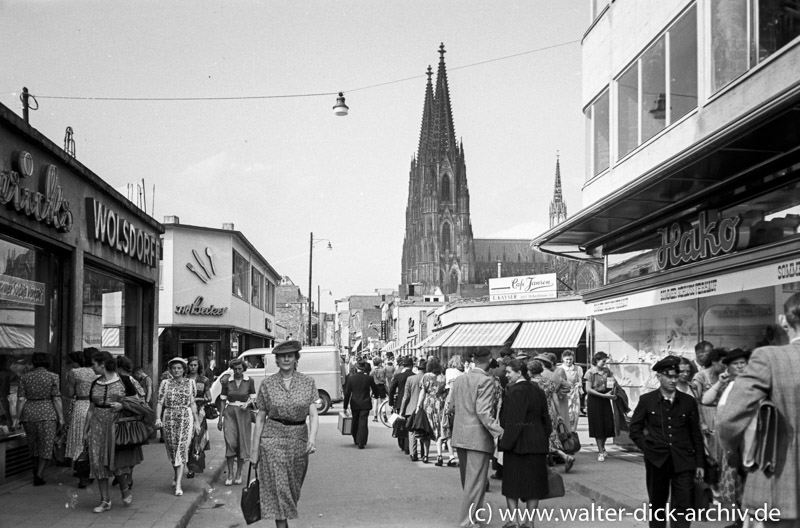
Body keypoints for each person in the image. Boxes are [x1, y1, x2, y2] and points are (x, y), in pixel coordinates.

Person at [718, 293, 800, 528]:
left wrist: (734, 455)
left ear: (784, 321)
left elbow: (729, 419)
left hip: (777, 486)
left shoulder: (769, 357)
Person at [629, 356, 704, 528]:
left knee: (683, 505)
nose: (673, 380)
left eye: (675, 377)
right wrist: (647, 447)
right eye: (668, 376)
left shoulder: (688, 402)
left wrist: (700, 463)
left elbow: (696, 435)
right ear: (659, 377)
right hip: (657, 461)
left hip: (684, 460)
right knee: (657, 504)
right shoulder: (647, 400)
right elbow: (634, 429)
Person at [250, 340, 319, 528]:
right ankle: (282, 525)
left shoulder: (308, 382)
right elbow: (261, 418)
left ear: (297, 359)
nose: (286, 359)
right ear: (277, 360)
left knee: (292, 488)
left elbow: (313, 414)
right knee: (277, 487)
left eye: (290, 355)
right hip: (272, 440)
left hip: (298, 440)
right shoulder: (267, 384)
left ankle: (284, 518)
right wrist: (254, 451)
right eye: (282, 356)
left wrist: (312, 439)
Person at [448, 346, 504, 528]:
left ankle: (474, 518)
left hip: (461, 435)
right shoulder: (485, 380)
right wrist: (500, 431)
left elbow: (451, 407)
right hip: (478, 437)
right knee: (475, 484)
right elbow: (484, 412)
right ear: (488, 360)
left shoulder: (460, 379)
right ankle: (467, 522)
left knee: (469, 483)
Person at [83, 350, 144, 512]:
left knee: (115, 461)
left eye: (93, 363)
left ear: (102, 364)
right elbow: (90, 409)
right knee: (97, 463)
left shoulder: (124, 381)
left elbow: (138, 402)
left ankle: (124, 489)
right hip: (97, 426)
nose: (92, 366)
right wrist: (85, 430)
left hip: (116, 426)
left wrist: (122, 405)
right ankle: (105, 500)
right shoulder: (95, 383)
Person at [499, 359, 551, 525]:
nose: (506, 375)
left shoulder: (514, 391)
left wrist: (505, 444)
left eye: (509, 372)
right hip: (537, 443)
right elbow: (546, 419)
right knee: (533, 486)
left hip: (517, 445)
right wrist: (543, 437)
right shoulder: (538, 391)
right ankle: (530, 521)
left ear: (519, 372)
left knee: (512, 484)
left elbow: (512, 421)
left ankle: (513, 519)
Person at [14, 352, 64, 486]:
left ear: (34, 362)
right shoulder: (53, 376)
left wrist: (17, 417)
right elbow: (56, 398)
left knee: (33, 445)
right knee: (46, 445)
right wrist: (61, 417)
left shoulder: (25, 377)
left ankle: (35, 470)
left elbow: (20, 399)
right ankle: (39, 474)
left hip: (29, 414)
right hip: (47, 414)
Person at [155, 357, 200, 496]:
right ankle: (176, 475)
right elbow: (160, 402)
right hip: (169, 416)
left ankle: (178, 484)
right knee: (172, 449)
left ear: (183, 369)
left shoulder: (190, 383)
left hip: (185, 416)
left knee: (182, 448)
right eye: (174, 368)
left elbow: (192, 403)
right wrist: (157, 418)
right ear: (170, 370)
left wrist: (197, 421)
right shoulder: (165, 383)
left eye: (179, 368)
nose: (176, 371)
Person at [692, 347, 729, 503]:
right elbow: (696, 401)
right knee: (711, 455)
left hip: (722, 415)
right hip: (707, 415)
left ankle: (720, 486)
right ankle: (711, 487)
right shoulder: (700, 377)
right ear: (714, 362)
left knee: (722, 454)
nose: (725, 366)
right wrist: (701, 422)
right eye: (722, 362)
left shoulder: (726, 376)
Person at [529, 359, 576, 472]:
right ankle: (561, 457)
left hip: (536, 412)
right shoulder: (548, 382)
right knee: (550, 435)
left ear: (531, 371)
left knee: (539, 437)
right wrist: (559, 414)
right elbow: (555, 399)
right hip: (549, 411)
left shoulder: (530, 383)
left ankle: (560, 457)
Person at [217, 357, 256, 486]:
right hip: (230, 413)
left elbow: (253, 398)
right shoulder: (227, 381)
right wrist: (220, 418)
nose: (238, 371)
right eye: (235, 369)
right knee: (230, 442)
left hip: (244, 414)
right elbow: (222, 400)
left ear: (243, 369)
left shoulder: (249, 381)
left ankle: (239, 473)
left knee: (241, 443)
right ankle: (230, 473)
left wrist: (247, 403)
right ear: (232, 369)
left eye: (240, 369)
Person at [65, 348, 98, 488]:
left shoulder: (74, 373)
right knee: (94, 440)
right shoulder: (98, 373)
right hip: (96, 407)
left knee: (79, 439)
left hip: (80, 405)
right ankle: (92, 471)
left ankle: (82, 476)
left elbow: (70, 392)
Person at [415, 357, 452, 466]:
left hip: (428, 404)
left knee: (427, 429)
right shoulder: (442, 377)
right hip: (439, 403)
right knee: (439, 428)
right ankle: (439, 455)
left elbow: (422, 392)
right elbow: (445, 392)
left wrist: (418, 406)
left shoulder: (426, 377)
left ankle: (425, 455)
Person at [583, 351, 616, 461]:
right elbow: (588, 389)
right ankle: (600, 451)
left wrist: (611, 392)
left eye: (605, 361)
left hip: (605, 399)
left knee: (608, 424)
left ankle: (602, 447)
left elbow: (611, 384)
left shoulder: (607, 371)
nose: (604, 363)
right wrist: (603, 395)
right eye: (603, 361)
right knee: (597, 425)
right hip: (595, 400)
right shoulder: (590, 372)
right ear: (596, 360)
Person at [343, 359, 379, 449]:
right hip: (365, 403)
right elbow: (375, 388)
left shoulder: (351, 379)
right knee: (363, 422)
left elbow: (347, 393)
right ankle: (361, 441)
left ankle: (356, 439)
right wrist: (376, 395)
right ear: (364, 368)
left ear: (356, 367)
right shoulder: (369, 378)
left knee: (355, 421)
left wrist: (345, 406)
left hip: (354, 403)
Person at [185, 356, 212, 478]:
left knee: (197, 438)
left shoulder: (204, 380)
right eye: (191, 365)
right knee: (187, 440)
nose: (193, 367)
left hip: (200, 413)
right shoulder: (183, 379)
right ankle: (189, 466)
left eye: (195, 365)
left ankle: (193, 467)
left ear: (198, 366)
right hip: (185, 412)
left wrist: (197, 399)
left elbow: (209, 397)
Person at [400, 358, 426, 460]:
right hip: (423, 409)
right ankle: (424, 454)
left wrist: (402, 410)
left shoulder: (410, 379)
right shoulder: (428, 379)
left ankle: (413, 453)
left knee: (412, 431)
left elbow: (406, 397)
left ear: (417, 368)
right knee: (424, 431)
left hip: (411, 408)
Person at [389, 356, 414, 453]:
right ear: (412, 366)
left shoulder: (398, 376)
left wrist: (391, 403)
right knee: (409, 425)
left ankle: (402, 443)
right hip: (411, 403)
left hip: (399, 403)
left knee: (400, 423)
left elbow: (391, 389)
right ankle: (408, 446)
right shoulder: (414, 376)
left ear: (403, 366)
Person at [559, 350, 584, 432]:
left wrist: (579, 385)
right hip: (563, 394)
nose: (569, 361)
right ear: (563, 359)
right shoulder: (559, 369)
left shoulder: (577, 369)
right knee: (565, 414)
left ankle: (573, 432)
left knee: (575, 413)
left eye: (570, 359)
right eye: (567, 359)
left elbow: (579, 380)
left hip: (574, 395)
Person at [370, 357, 387, 422]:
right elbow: (384, 378)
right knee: (383, 401)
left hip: (375, 386)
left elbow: (370, 377)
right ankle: (384, 414)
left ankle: (375, 417)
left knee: (375, 402)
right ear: (379, 363)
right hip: (381, 386)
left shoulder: (372, 370)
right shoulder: (382, 370)